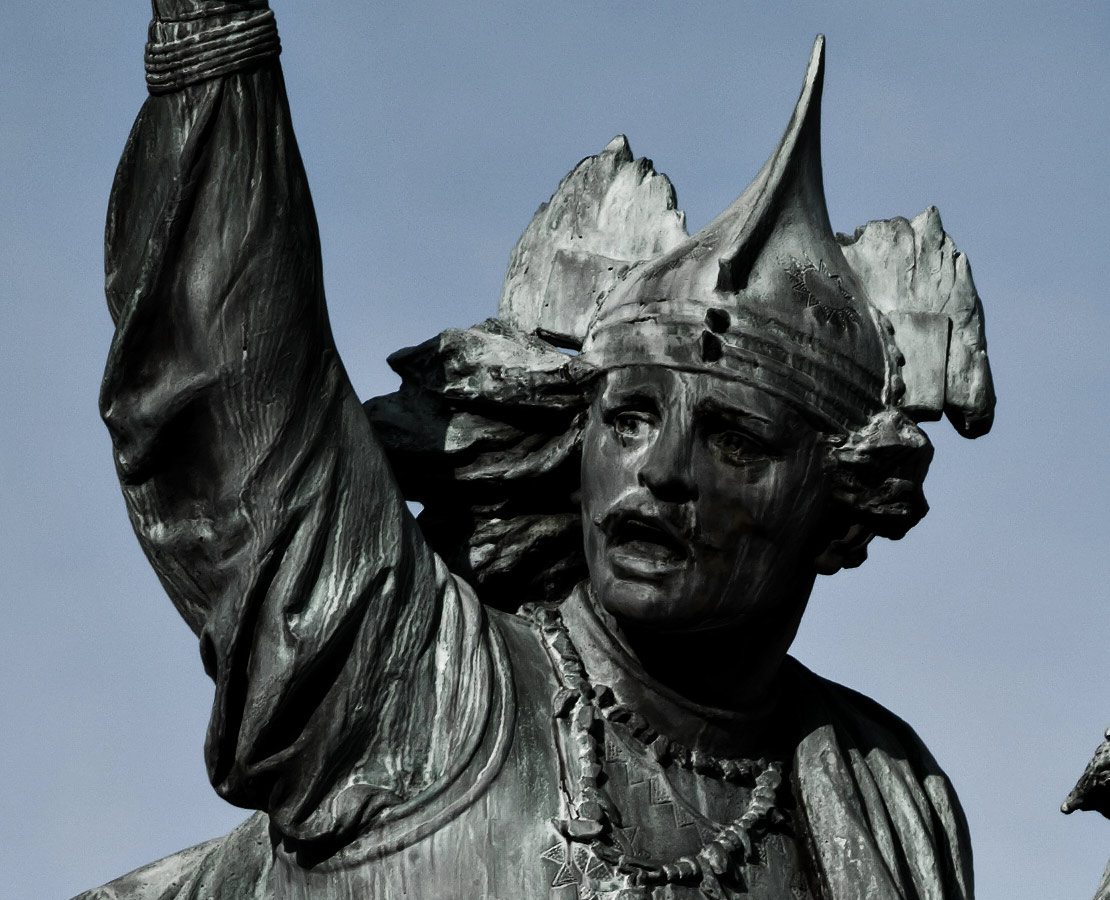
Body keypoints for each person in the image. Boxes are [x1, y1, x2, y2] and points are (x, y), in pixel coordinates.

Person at [79, 3, 994, 899]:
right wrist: (215, 25)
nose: (660, 472)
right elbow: (243, 405)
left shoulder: (895, 800)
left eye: (736, 442)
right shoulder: (418, 688)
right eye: (628, 420)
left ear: (838, 516)